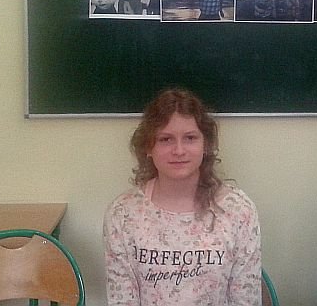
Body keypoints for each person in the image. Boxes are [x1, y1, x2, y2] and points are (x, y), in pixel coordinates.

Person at [103, 88, 261, 305]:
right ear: (148, 147)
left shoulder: (239, 211)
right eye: (166, 139)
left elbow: (246, 299)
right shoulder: (122, 214)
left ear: (206, 145)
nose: (178, 150)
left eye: (190, 138)